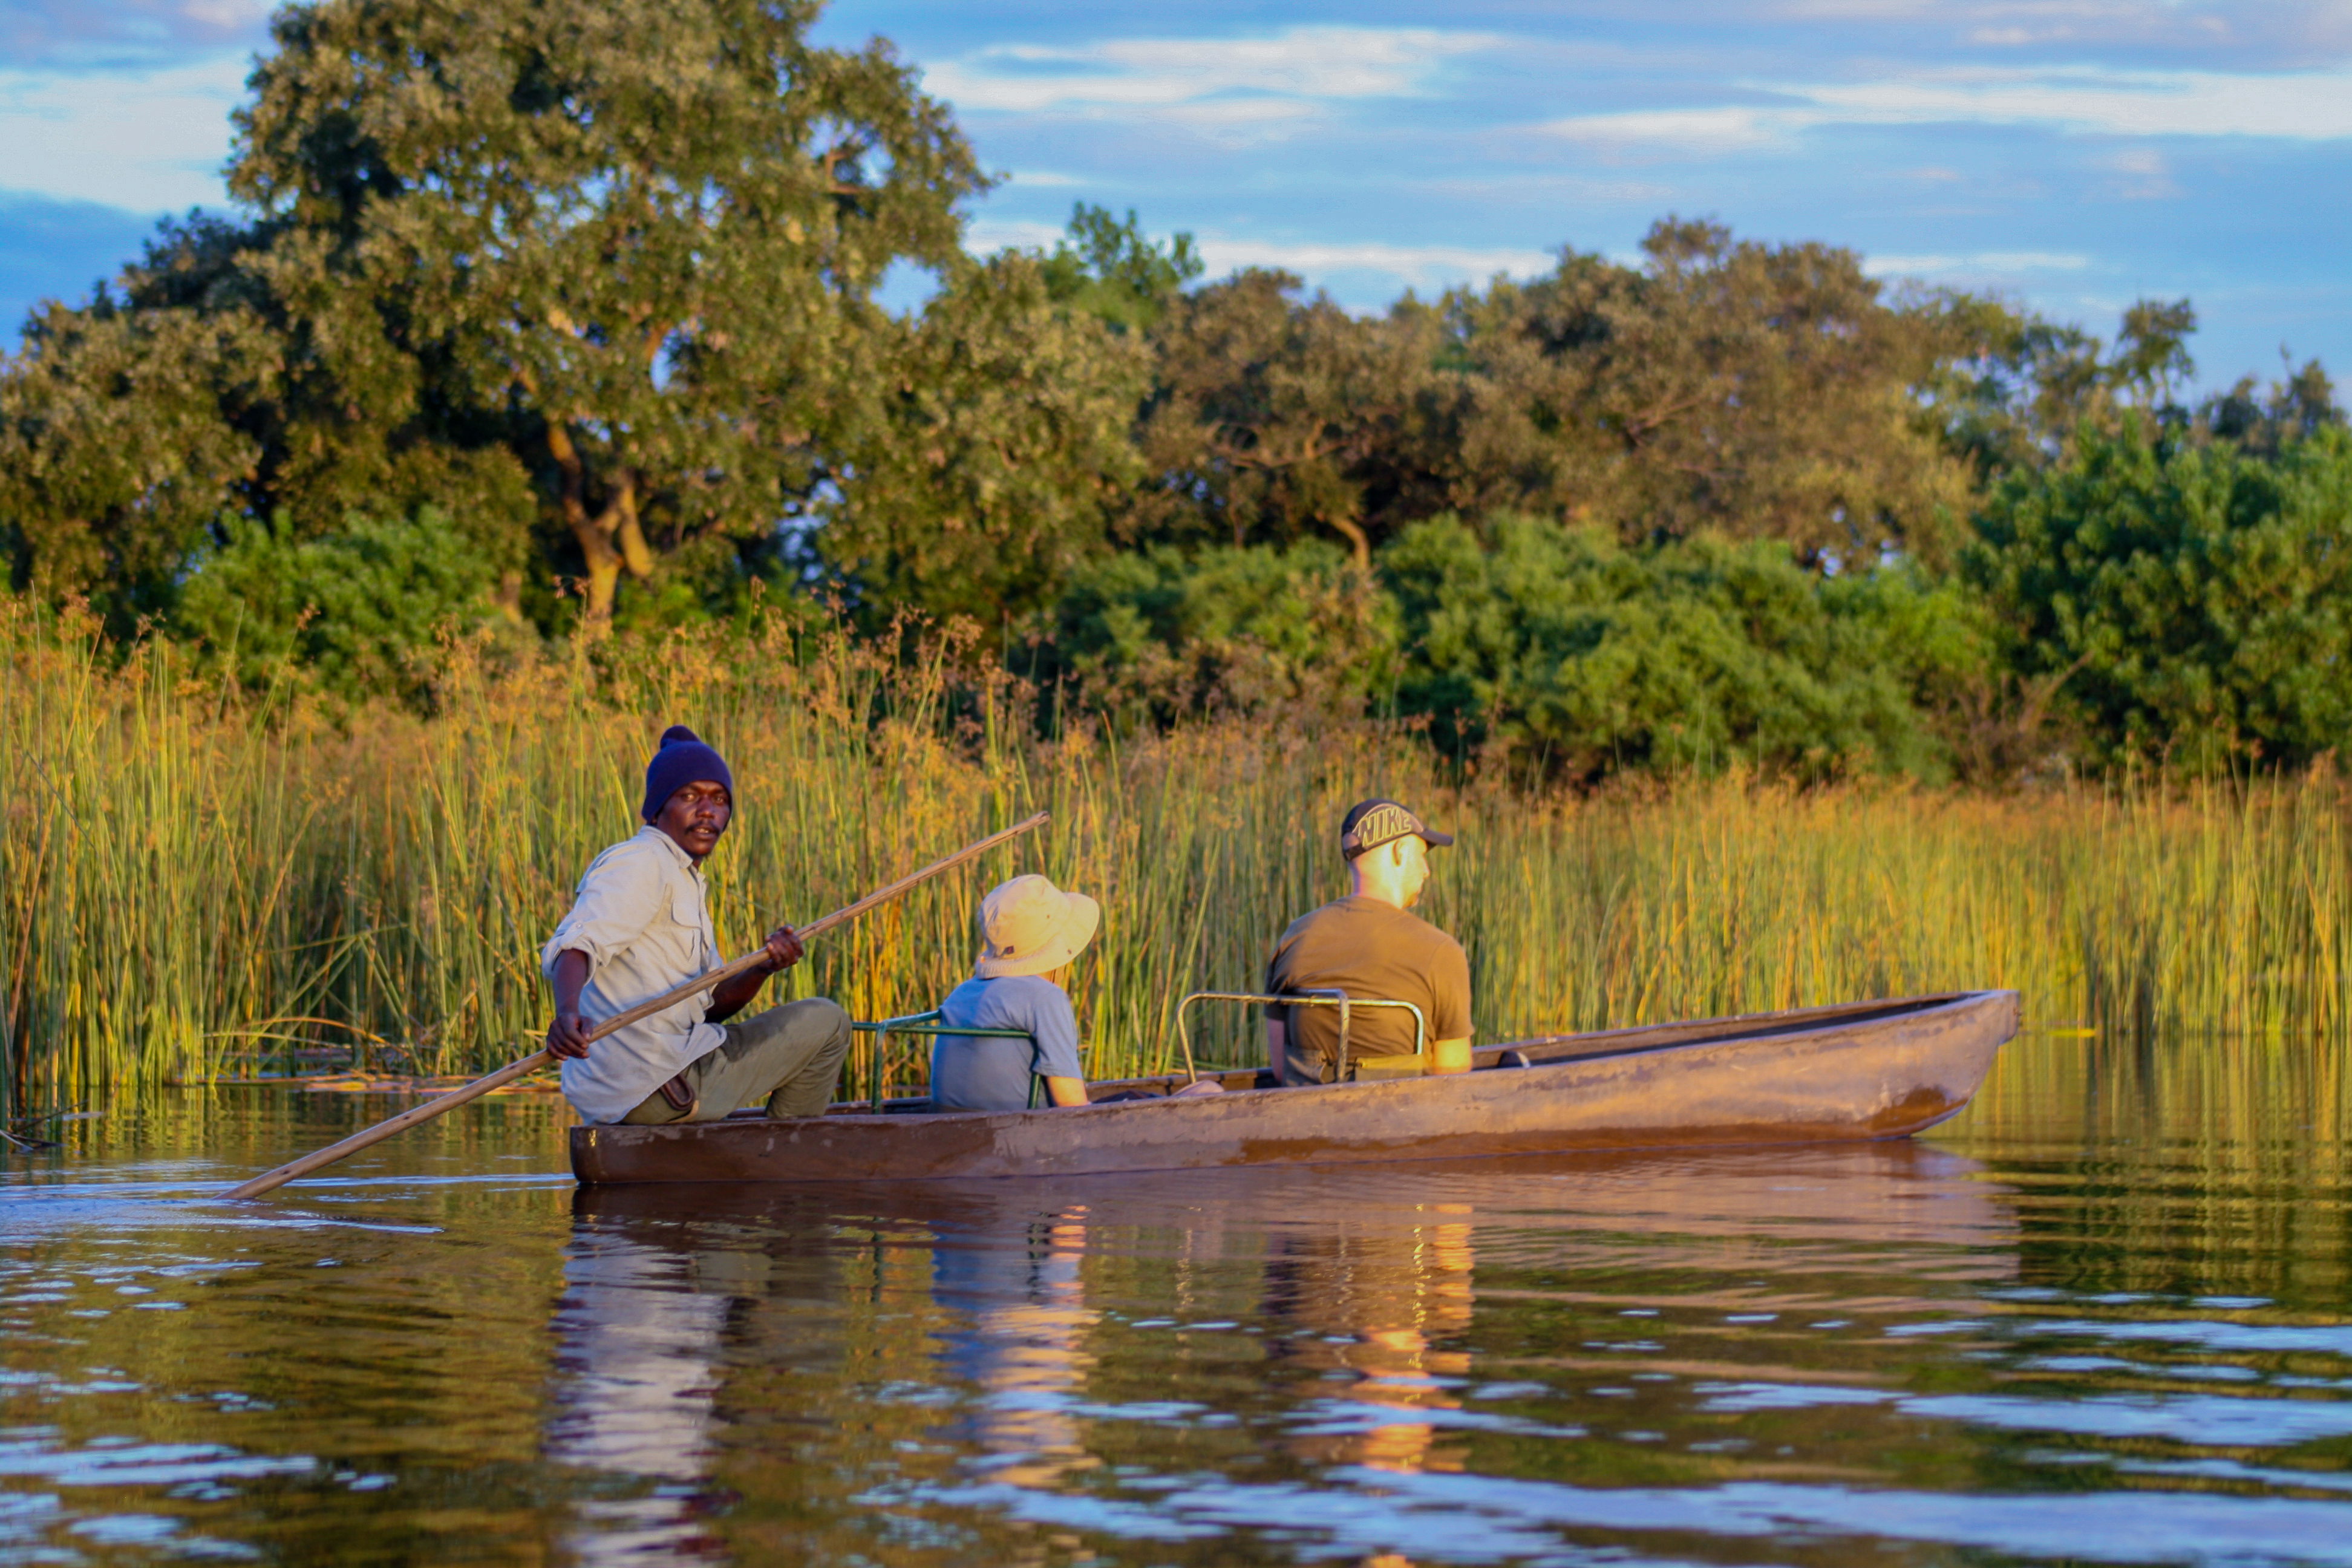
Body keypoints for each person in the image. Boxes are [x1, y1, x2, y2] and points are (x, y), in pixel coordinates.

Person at [541, 725, 852, 1125]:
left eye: (719, 800)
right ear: (657, 810)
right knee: (828, 1021)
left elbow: (709, 1009)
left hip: (650, 1082)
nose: (708, 810)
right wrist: (567, 1012)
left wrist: (763, 967)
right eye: (690, 797)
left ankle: (764, 1151)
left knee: (800, 1024)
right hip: (655, 1086)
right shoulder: (641, 862)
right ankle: (786, 1158)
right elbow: (578, 944)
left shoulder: (683, 877)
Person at [1263, 799, 1473, 1085]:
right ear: (1400, 852)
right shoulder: (1441, 951)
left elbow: (1280, 1069)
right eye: (1422, 855)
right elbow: (1453, 1077)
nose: (1426, 870)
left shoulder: (1295, 936)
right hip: (1404, 1123)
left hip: (1308, 1121)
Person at [930, 874, 1100, 1112]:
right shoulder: (1046, 998)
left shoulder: (961, 993)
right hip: (1018, 1137)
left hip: (951, 1125)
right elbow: (1072, 1105)